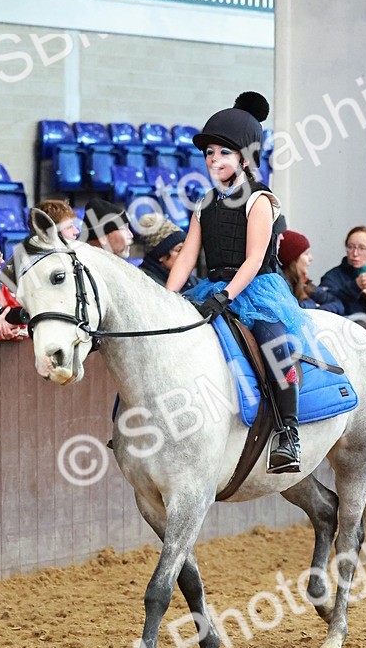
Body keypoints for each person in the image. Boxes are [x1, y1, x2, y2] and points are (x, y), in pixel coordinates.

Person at [165, 91, 310, 473]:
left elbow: (255, 259)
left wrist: (228, 295)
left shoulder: (259, 199)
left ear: (244, 158)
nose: (214, 160)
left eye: (223, 153)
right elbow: (187, 257)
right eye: (210, 153)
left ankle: (288, 435)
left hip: (255, 290)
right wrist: (167, 296)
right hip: (212, 289)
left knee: (275, 346)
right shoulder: (203, 201)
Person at [319, 226, 366, 336]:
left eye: (362, 248)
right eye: (351, 247)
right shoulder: (332, 276)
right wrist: (355, 287)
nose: (355, 253)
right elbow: (324, 302)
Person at [278, 229, 344, 314]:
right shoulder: (280, 287)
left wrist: (318, 309)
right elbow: (295, 310)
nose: (311, 258)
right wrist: (313, 305)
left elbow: (338, 304)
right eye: (306, 254)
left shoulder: (304, 283)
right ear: (292, 260)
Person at [137, 214, 199, 291]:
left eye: (186, 248)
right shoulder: (146, 283)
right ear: (160, 256)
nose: (185, 254)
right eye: (179, 250)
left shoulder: (193, 281)